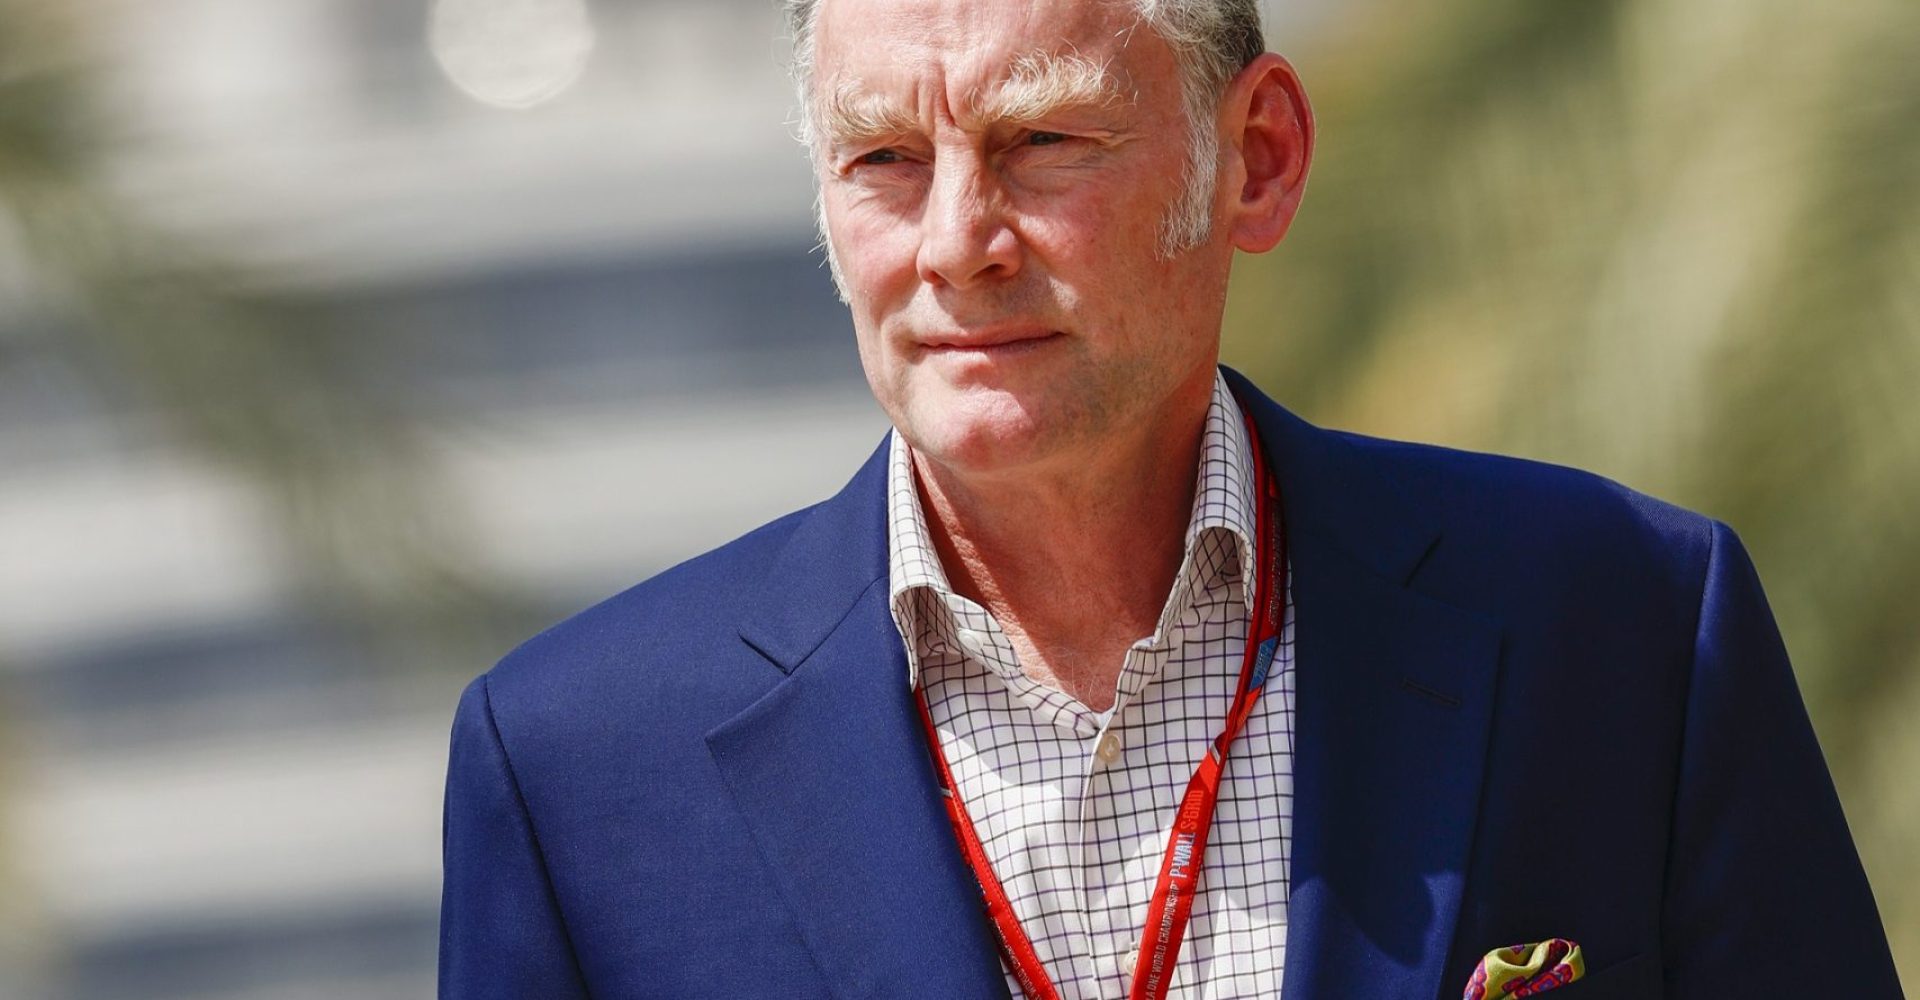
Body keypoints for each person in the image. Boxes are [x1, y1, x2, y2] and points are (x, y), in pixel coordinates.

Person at [438, 0, 1904, 996]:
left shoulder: (1625, 622)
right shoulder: (577, 770)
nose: (957, 242)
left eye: (1044, 143)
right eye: (884, 159)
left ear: (1253, 161)